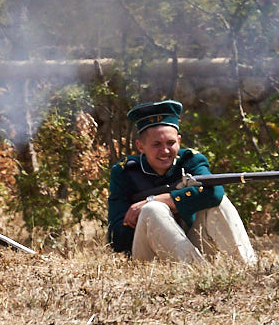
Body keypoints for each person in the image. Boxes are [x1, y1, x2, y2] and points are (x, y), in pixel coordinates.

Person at [109, 100, 256, 266]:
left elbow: (215, 193)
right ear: (140, 146)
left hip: (192, 245)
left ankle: (248, 267)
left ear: (179, 141)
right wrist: (142, 217)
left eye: (170, 143)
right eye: (156, 144)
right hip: (149, 258)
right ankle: (198, 273)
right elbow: (116, 240)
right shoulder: (125, 172)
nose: (165, 151)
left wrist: (159, 199)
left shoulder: (191, 161)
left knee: (219, 203)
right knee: (152, 210)